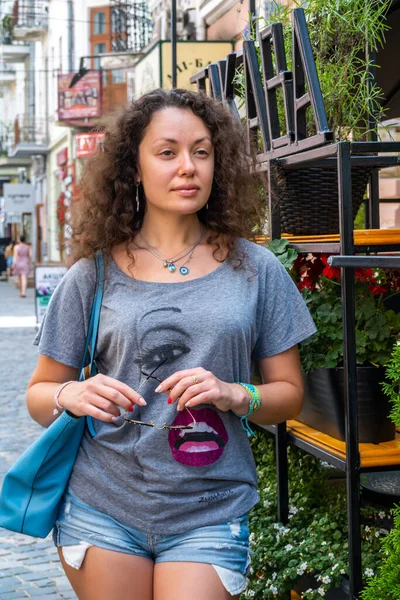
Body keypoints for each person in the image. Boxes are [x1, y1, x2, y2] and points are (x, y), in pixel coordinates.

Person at [27, 89, 317, 600]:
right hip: (101, 507)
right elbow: (40, 392)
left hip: (212, 509)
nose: (188, 167)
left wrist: (234, 394)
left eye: (201, 152)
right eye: (167, 152)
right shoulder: (91, 275)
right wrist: (67, 396)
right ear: (134, 168)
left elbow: (289, 395)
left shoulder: (255, 268)